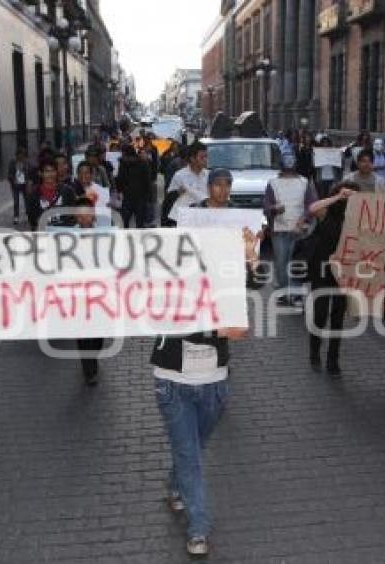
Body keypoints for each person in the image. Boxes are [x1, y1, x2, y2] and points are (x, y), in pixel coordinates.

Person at [151, 167, 262, 557]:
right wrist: (218, 332)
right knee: (191, 456)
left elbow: (254, 285)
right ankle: (199, 527)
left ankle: (175, 484)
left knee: (192, 448)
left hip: (215, 377)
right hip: (173, 378)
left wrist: (250, 259)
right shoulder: (165, 273)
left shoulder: (224, 268)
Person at [306, 180, 361, 377]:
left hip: (344, 275)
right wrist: (338, 196)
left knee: (337, 319)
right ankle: (314, 352)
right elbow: (312, 208)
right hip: (322, 272)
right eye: (345, 194)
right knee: (320, 315)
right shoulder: (327, 213)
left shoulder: (357, 218)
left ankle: (333, 360)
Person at [264, 154, 318, 307]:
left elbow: (311, 204)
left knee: (296, 262)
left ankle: (295, 294)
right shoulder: (273, 183)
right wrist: (273, 208)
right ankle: (282, 292)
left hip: (299, 231)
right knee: (281, 263)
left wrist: (304, 219)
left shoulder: (304, 182)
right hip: (279, 230)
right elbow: (266, 206)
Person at [73, 197, 106, 386]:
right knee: (83, 334)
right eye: (80, 214)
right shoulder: (67, 238)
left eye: (87, 213)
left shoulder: (104, 234)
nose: (84, 218)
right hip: (78, 295)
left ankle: (93, 355)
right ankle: (89, 370)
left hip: (100, 295)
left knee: (97, 336)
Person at [165, 141, 209, 224]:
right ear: (192, 158)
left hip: (205, 220)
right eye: (202, 157)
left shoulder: (209, 175)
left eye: (206, 156)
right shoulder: (180, 175)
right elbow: (169, 200)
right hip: (184, 220)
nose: (206, 160)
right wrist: (178, 192)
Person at [28, 159, 77, 228]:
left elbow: (73, 214)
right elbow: (32, 220)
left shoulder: (67, 191)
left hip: (65, 233)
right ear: (40, 173)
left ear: (57, 172)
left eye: (53, 171)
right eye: (47, 171)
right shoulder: (34, 195)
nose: (50, 174)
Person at [115, 145, 153, 228]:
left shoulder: (140, 164)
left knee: (133, 221)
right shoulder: (124, 164)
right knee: (130, 221)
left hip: (136, 198)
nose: (122, 156)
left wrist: (149, 197)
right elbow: (120, 179)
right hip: (133, 197)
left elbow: (147, 181)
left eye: (123, 154)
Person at [76, 161, 112, 227]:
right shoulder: (72, 190)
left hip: (98, 229)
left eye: (86, 173)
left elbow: (105, 216)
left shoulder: (102, 192)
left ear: (92, 175)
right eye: (80, 173)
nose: (83, 175)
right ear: (77, 175)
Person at [6, 147, 29, 225]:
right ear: (17, 155)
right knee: (16, 202)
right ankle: (16, 217)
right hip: (15, 185)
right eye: (20, 155)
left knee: (27, 201)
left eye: (23, 155)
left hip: (24, 185)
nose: (22, 157)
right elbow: (9, 174)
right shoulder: (12, 162)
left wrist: (27, 180)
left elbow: (29, 172)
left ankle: (28, 215)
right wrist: (13, 180)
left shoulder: (25, 162)